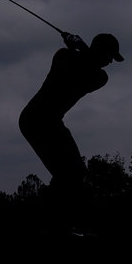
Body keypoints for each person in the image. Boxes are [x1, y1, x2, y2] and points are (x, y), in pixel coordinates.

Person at [19, 32, 123, 192]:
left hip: (49, 122)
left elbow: (85, 67)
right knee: (70, 175)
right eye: (109, 56)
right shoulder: (64, 56)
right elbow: (79, 64)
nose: (110, 61)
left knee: (75, 173)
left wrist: (78, 46)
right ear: (100, 50)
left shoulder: (100, 77)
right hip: (34, 119)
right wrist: (78, 46)